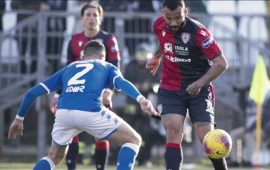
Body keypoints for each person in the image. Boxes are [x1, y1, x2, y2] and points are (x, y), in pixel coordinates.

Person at [8, 40, 160, 170]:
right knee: (134, 140)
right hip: (90, 111)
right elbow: (122, 83)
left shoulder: (69, 68)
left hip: (63, 113)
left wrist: (19, 118)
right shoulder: (106, 66)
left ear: (82, 57)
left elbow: (31, 93)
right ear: (102, 57)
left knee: (53, 156)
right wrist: (141, 99)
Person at [146, 1, 228, 170]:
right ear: (162, 13)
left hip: (198, 89)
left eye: (178, 18)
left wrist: (199, 83)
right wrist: (157, 56)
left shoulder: (199, 33)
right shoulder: (159, 25)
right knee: (172, 131)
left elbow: (221, 63)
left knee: (207, 139)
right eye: (169, 18)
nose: (174, 22)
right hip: (170, 88)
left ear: (185, 11)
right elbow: (164, 41)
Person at [49, 2, 121, 170]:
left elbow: (115, 68)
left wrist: (109, 91)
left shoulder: (109, 40)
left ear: (100, 18)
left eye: (95, 15)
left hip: (99, 94)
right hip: (76, 94)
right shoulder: (74, 40)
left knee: (102, 135)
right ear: (81, 19)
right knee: (70, 133)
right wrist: (57, 95)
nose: (91, 18)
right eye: (88, 15)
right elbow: (66, 72)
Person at [124, 42, 162, 167]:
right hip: (132, 106)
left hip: (148, 106)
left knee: (148, 133)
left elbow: (159, 84)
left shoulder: (153, 66)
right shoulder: (130, 66)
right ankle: (129, 159)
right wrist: (135, 86)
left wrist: (149, 86)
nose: (140, 60)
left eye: (143, 57)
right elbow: (124, 82)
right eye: (139, 57)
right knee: (128, 132)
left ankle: (145, 159)